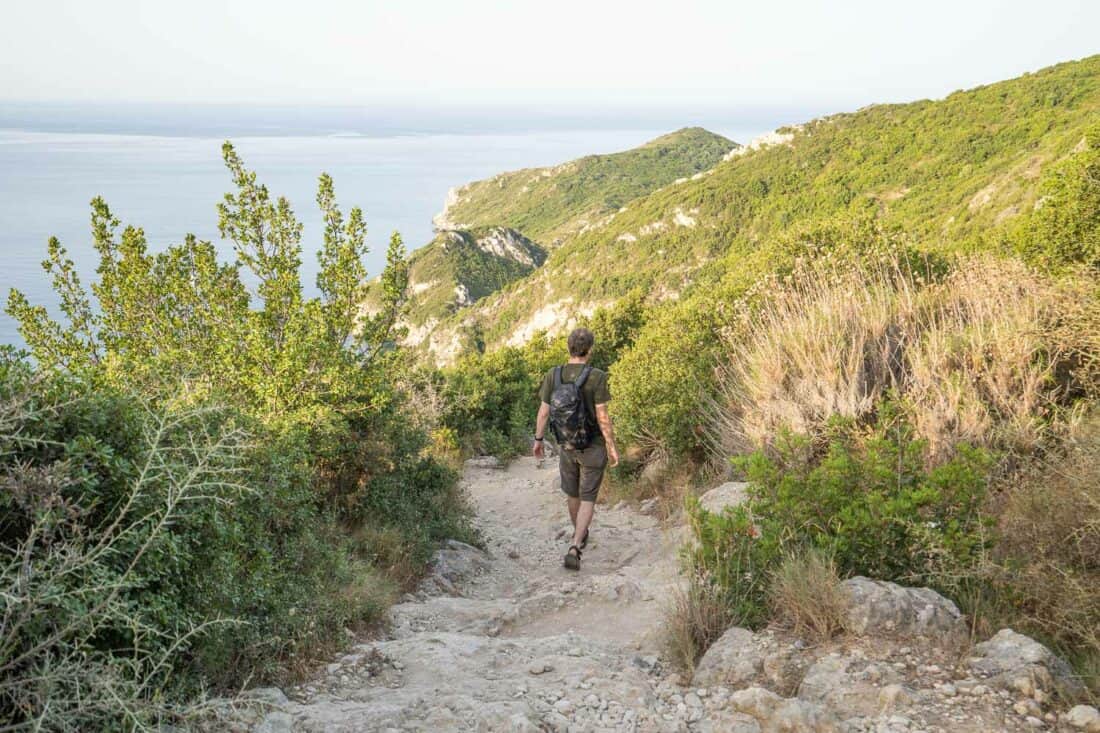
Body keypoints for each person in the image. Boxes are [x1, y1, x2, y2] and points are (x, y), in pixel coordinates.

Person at [533, 328, 620, 571]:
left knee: (573, 495)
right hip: (593, 446)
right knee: (588, 497)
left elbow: (543, 412)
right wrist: (612, 446)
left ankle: (579, 535)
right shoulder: (598, 376)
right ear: (589, 350)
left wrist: (538, 440)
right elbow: (603, 416)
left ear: (568, 347)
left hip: (567, 445)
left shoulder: (554, 374)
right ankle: (575, 544)